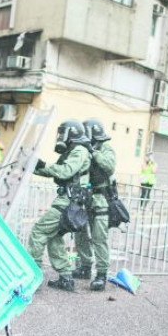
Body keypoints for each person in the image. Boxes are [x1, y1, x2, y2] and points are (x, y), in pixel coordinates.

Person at [27, 120, 91, 292]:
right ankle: (66, 278)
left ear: (72, 133)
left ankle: (33, 276)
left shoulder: (79, 150)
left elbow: (65, 171)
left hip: (68, 202)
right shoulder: (75, 150)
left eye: (63, 133)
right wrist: (35, 166)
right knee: (54, 237)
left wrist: (43, 166)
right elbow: (57, 170)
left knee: (39, 231)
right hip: (68, 201)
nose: (60, 137)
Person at [72, 119, 116, 291]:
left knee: (99, 238)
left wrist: (94, 152)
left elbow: (109, 166)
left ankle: (101, 274)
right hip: (85, 198)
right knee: (80, 234)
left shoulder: (105, 149)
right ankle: (85, 266)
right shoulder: (84, 150)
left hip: (100, 199)